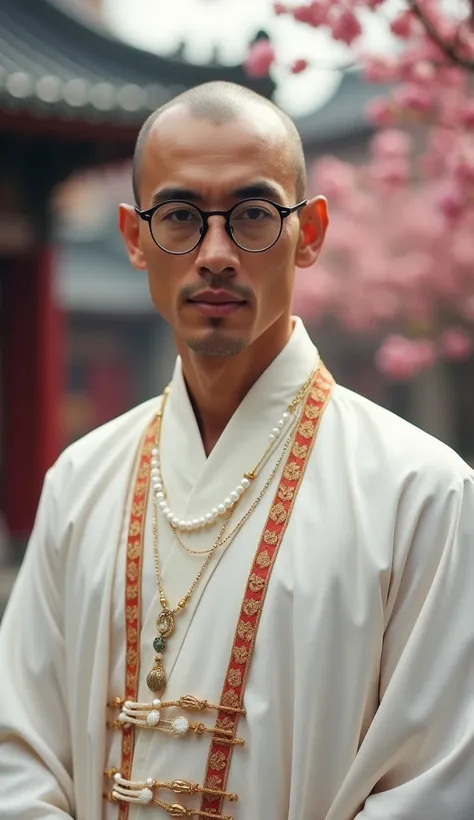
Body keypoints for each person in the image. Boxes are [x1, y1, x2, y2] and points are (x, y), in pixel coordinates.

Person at [0, 80, 473, 820]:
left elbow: (440, 784)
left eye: (252, 215)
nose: (216, 254)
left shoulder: (423, 493)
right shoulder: (81, 482)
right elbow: (16, 752)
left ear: (309, 232)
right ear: (133, 236)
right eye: (180, 217)